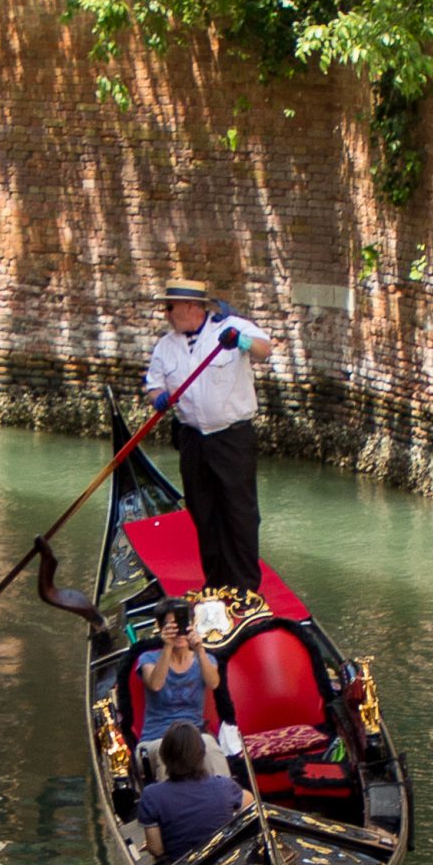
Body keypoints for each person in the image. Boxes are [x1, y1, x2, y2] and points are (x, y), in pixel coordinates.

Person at [142, 276, 274, 599]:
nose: (166, 314)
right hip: (192, 440)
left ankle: (245, 590)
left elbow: (264, 350)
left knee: (238, 513)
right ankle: (216, 585)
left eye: (169, 307)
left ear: (191, 307)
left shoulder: (229, 327)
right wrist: (158, 398)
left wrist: (241, 340)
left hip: (232, 438)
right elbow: (153, 384)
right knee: (203, 511)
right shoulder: (166, 345)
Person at [136, 722, 243, 865]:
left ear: (164, 756)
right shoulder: (225, 786)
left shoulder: (151, 796)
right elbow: (249, 802)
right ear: (202, 754)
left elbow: (156, 849)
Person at [134, 602, 219, 762]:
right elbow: (156, 685)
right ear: (161, 629)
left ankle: (222, 786)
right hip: (155, 739)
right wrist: (167, 646)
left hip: (193, 737)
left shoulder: (206, 659)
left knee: (210, 746)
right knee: (170, 754)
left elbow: (213, 683)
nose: (178, 633)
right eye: (172, 627)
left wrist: (199, 650)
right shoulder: (148, 659)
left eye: (181, 625)